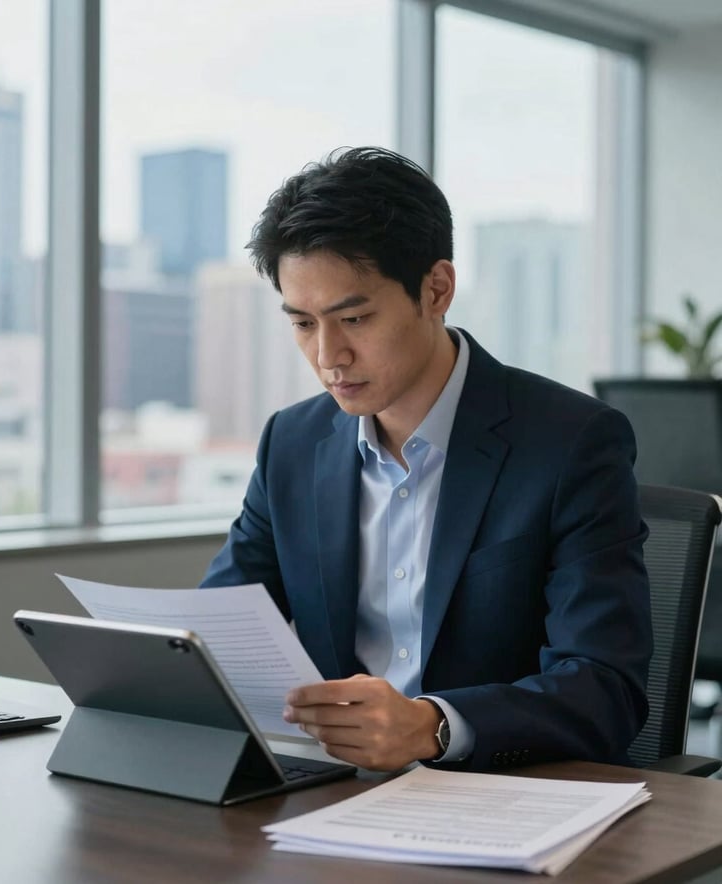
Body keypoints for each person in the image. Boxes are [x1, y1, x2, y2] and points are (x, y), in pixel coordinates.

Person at [200, 146, 652, 773]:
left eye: (354, 317)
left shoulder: (572, 442)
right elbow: (218, 632)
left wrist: (435, 726)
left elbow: (606, 689)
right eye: (303, 324)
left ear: (436, 289)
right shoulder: (293, 445)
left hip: (500, 794)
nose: (330, 356)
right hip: (336, 793)